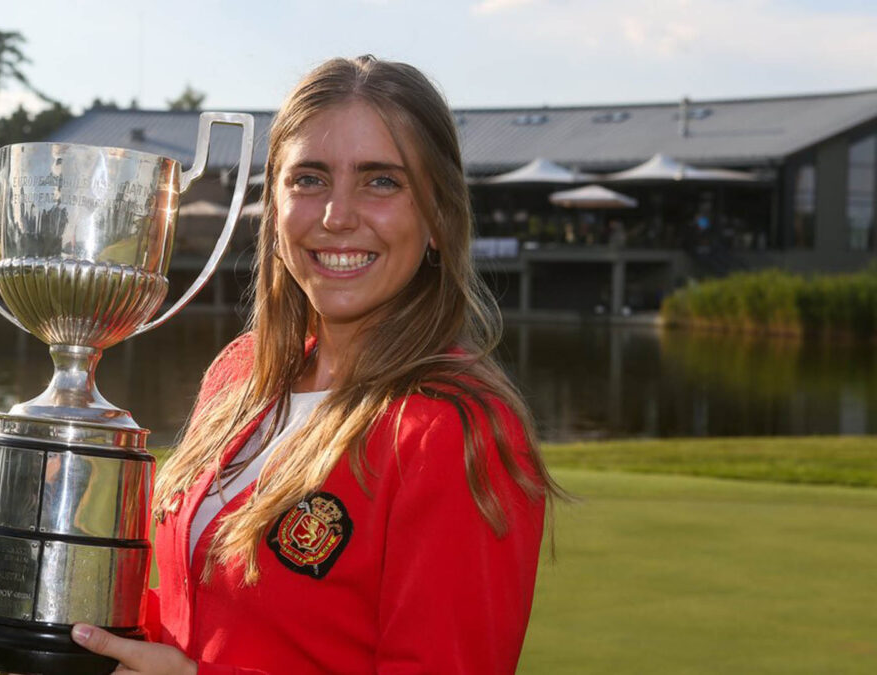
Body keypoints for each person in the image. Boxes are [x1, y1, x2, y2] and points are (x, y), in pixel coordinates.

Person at [64, 55, 562, 674]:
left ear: (438, 218)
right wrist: (70, 642)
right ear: (274, 209)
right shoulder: (240, 375)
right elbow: (205, 619)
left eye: (382, 181)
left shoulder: (453, 432)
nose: (337, 216)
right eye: (310, 179)